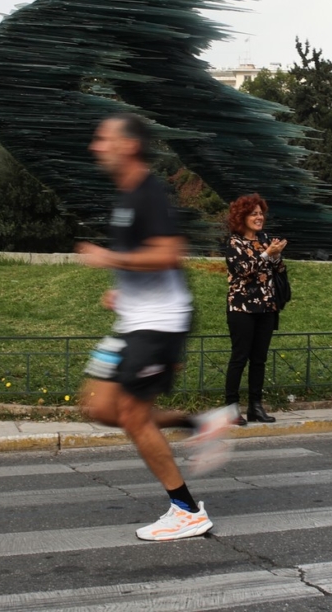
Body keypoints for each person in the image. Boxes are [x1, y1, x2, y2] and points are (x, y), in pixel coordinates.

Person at [76, 113, 235, 542]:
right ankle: (200, 423)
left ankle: (186, 510)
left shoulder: (148, 192)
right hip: (134, 320)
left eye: (103, 139)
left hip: (160, 324)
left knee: (131, 413)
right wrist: (122, 290)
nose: (96, 147)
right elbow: (144, 260)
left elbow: (169, 253)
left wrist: (112, 260)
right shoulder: (126, 197)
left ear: (127, 146)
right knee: (100, 408)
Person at [223, 193, 288, 424]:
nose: (259, 217)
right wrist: (265, 254)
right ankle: (231, 408)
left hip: (267, 307)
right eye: (254, 214)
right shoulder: (234, 242)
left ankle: (255, 407)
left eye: (261, 213)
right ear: (243, 217)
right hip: (241, 308)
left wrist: (277, 256)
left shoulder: (265, 239)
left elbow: (278, 271)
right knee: (240, 358)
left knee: (259, 360)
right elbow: (242, 271)